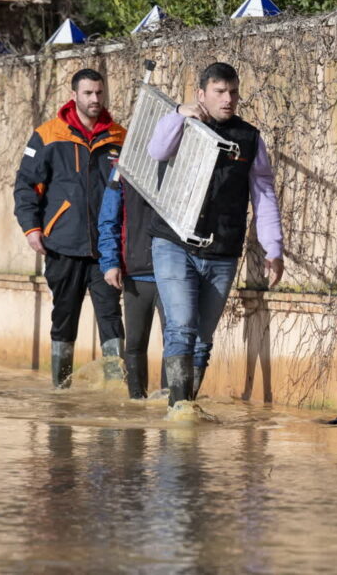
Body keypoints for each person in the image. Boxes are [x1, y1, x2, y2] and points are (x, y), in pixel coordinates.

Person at [148, 62, 284, 407]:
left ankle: (185, 407)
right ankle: (179, 411)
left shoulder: (249, 138)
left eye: (233, 92)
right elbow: (157, 151)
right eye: (220, 92)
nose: (228, 99)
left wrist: (274, 247)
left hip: (222, 248)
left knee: (203, 338)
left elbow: (263, 193)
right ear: (202, 94)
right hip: (174, 241)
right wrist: (179, 113)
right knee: (180, 327)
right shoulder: (183, 123)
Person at [14, 69, 127, 387]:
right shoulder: (48, 134)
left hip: (105, 249)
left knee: (110, 318)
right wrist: (32, 228)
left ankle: (115, 391)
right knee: (64, 318)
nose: (95, 99)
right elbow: (25, 185)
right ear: (74, 94)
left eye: (99, 93)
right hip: (62, 244)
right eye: (88, 93)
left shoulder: (119, 137)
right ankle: (60, 390)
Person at [97, 164, 166, 399]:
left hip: (175, 273)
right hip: (136, 272)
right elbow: (108, 219)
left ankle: (172, 402)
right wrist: (110, 263)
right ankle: (137, 402)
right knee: (135, 344)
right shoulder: (122, 168)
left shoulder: (184, 161)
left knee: (177, 344)